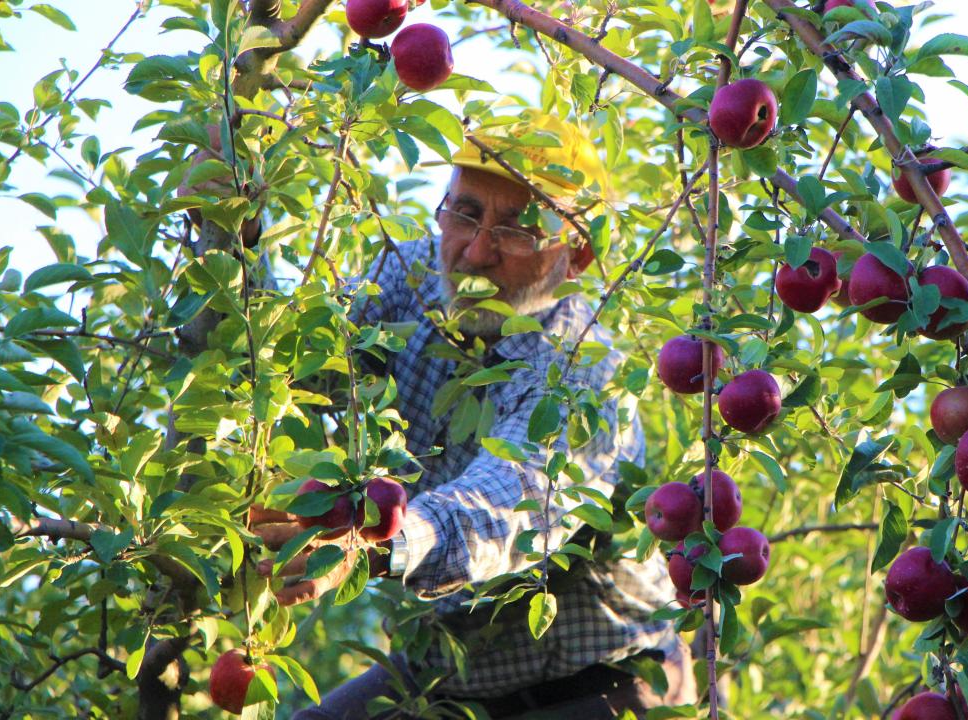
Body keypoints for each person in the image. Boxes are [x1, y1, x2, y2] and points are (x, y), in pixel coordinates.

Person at [248, 112, 697, 719]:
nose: (477, 251)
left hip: (603, 683)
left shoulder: (582, 372)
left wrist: (374, 539)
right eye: (464, 213)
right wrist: (233, 226)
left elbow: (509, 502)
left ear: (578, 254)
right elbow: (278, 354)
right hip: (449, 679)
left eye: (517, 230)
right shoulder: (402, 280)